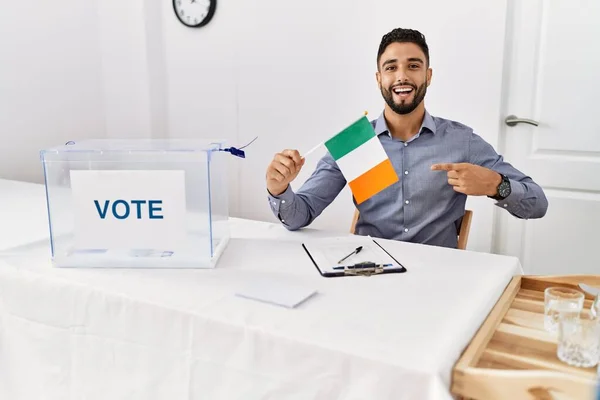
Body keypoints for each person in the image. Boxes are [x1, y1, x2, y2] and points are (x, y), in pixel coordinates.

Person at [265, 27, 548, 249]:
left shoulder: (463, 142)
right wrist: (278, 189)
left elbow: (538, 204)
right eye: (391, 67)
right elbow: (299, 216)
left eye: (413, 66)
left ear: (428, 75)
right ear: (379, 78)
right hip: (368, 274)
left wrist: (496, 185)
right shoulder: (354, 143)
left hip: (439, 281)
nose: (402, 76)